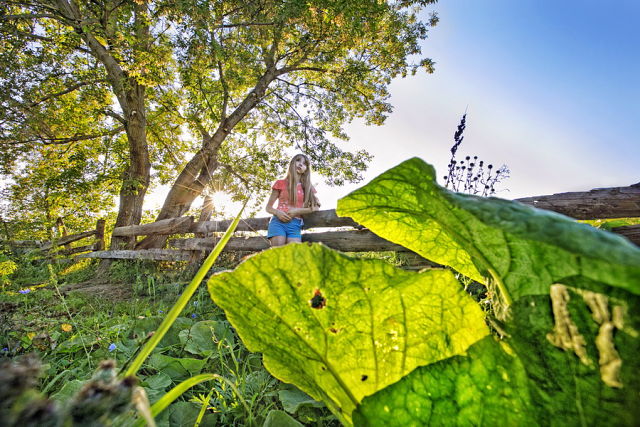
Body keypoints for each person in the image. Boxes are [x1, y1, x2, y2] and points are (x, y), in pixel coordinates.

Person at [265, 154, 320, 246]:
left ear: (306, 169)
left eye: (304, 163)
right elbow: (268, 208)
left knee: (293, 255)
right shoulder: (280, 183)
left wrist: (298, 211)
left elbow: (316, 207)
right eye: (298, 160)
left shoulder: (308, 187)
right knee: (278, 254)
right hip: (278, 223)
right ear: (292, 163)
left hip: (295, 225)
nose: (300, 164)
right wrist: (278, 213)